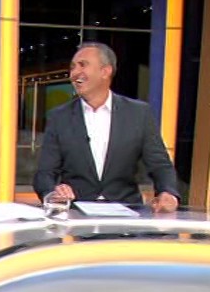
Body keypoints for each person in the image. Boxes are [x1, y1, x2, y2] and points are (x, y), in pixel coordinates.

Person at [33, 42, 180, 212]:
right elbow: (45, 172)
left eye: (82, 65)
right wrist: (52, 193)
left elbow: (160, 164)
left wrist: (168, 193)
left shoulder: (138, 113)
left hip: (126, 211)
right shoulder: (59, 117)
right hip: (76, 213)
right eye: (73, 67)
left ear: (105, 71)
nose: (74, 73)